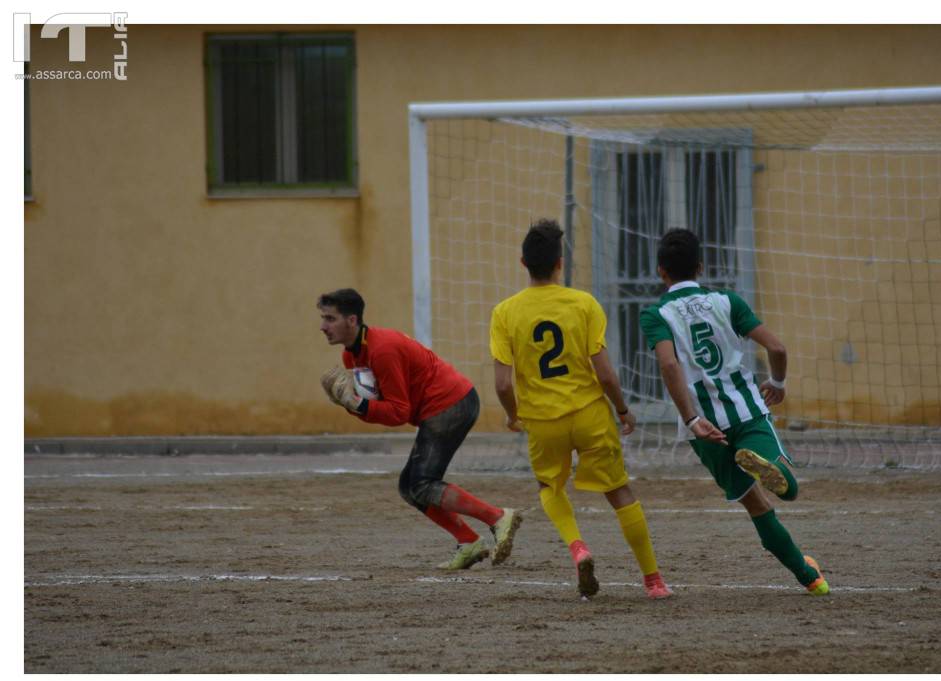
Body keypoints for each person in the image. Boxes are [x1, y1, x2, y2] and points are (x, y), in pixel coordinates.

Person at [639, 228, 830, 596]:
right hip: (745, 410)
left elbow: (669, 366)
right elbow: (777, 347)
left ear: (661, 271)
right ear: (700, 266)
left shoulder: (656, 314)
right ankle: (776, 471)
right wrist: (777, 382)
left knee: (755, 505)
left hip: (705, 427)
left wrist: (692, 419)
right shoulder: (727, 301)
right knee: (785, 487)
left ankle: (811, 579)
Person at [489, 219, 671, 600]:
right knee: (620, 491)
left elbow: (503, 384)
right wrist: (622, 409)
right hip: (589, 413)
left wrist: (511, 414)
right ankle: (654, 581)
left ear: (523, 263)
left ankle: (578, 547)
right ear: (560, 263)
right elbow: (604, 373)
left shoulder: (505, 312)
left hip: (542, 419)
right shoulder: (583, 303)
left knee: (548, 486)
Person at [318, 288, 522, 571]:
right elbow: (383, 412)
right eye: (323, 318)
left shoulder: (381, 349)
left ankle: (498, 517)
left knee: (421, 483)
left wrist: (357, 405)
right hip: (440, 408)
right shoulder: (351, 357)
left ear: (351, 320)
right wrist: (352, 406)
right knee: (409, 487)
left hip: (451, 404)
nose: (323, 326)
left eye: (330, 319)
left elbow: (398, 412)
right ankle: (469, 541)